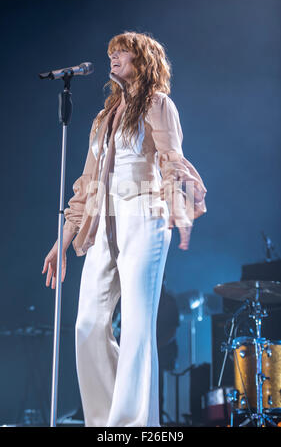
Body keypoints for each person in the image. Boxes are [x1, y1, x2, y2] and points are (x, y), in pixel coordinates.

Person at [42, 31, 207, 427]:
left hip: (145, 216)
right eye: (111, 53)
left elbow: (172, 159)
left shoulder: (158, 104)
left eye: (122, 53)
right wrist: (61, 242)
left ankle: (131, 426)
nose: (113, 58)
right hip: (104, 222)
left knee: (136, 325)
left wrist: (179, 209)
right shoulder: (104, 118)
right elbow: (86, 185)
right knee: (87, 324)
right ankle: (103, 422)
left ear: (143, 59)